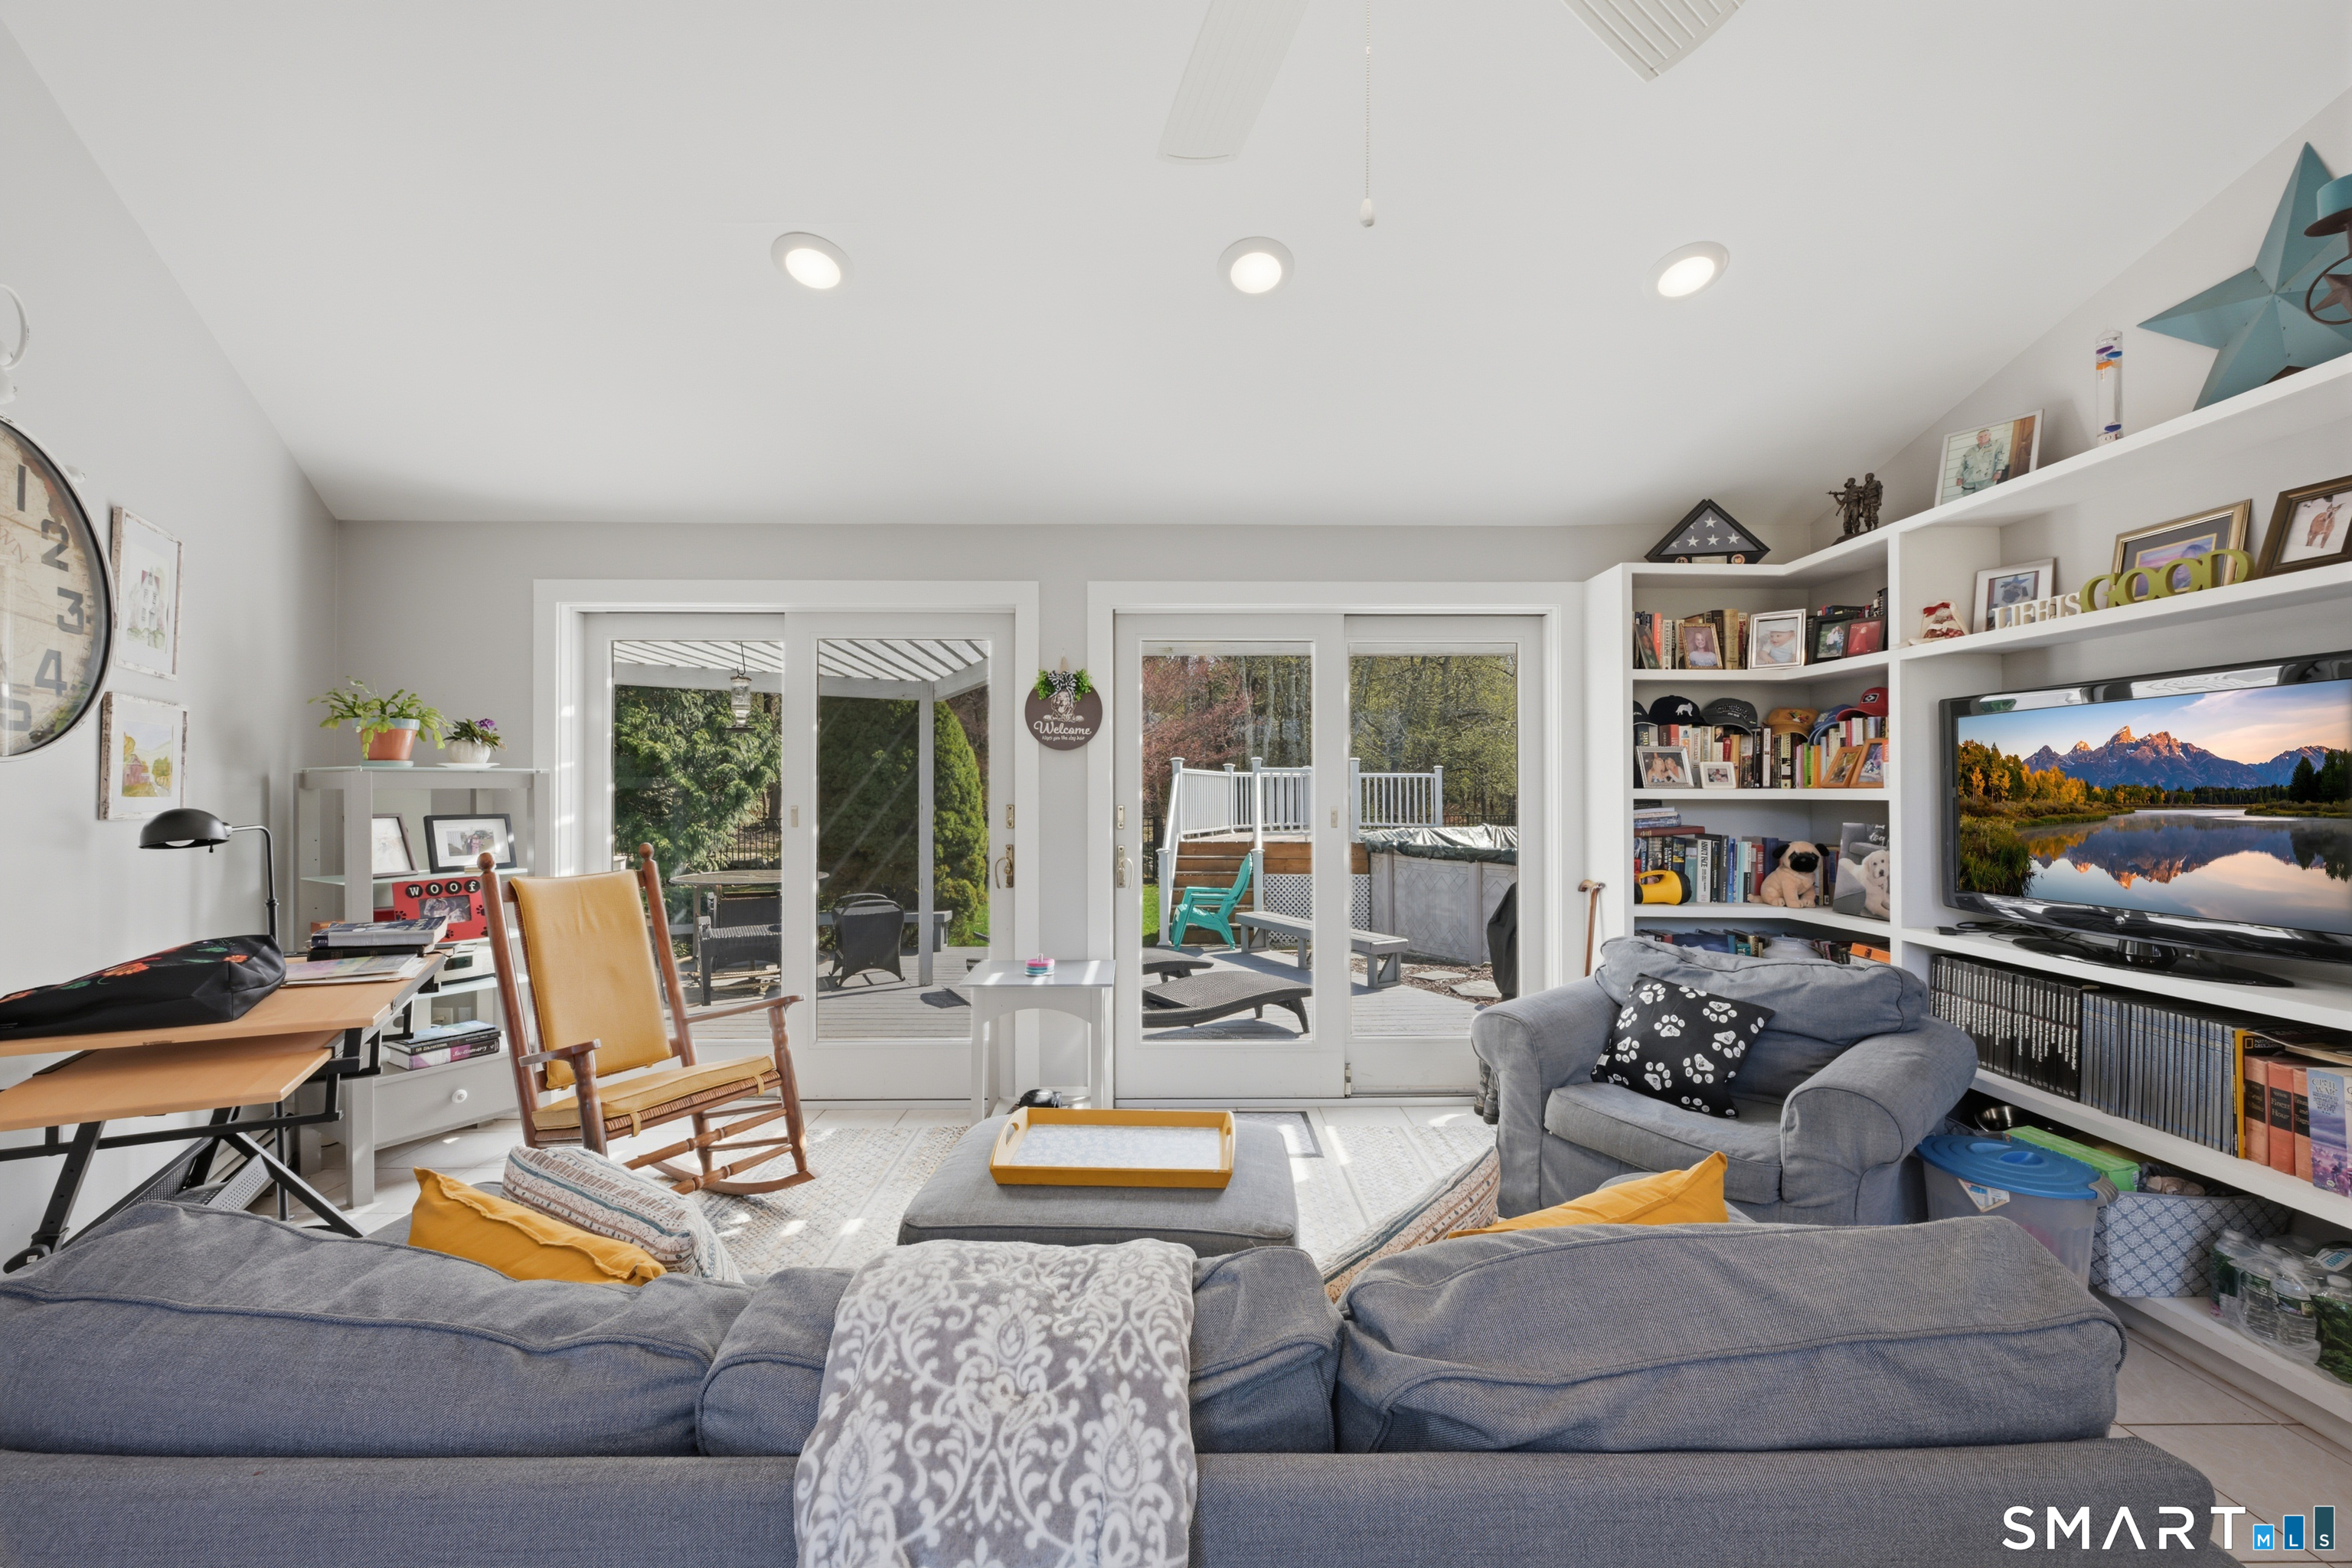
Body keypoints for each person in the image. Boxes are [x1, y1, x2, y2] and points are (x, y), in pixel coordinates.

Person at [1956, 428, 2007, 494]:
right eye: (1980, 436)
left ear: (1990, 435)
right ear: (1977, 438)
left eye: (1985, 435)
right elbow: (1963, 465)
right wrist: (1959, 477)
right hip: (1969, 481)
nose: (1983, 438)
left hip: (1986, 480)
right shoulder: (1971, 451)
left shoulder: (1997, 445)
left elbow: (2001, 457)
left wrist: (1999, 472)